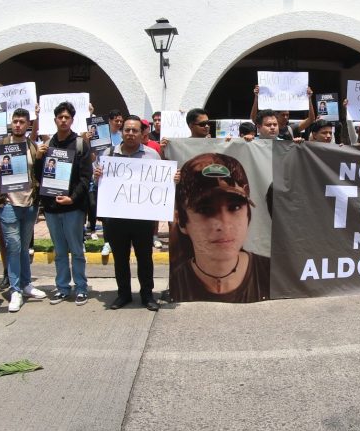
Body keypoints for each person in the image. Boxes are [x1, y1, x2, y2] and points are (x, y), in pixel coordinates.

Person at [170, 153, 270, 302]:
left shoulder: (273, 274)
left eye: (234, 207)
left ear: (248, 215)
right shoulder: (177, 282)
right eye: (205, 210)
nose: (224, 224)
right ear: (182, 222)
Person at [94, 115, 162, 311]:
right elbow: (98, 184)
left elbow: (160, 184)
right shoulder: (109, 155)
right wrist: (97, 176)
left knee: (144, 258)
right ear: (121, 132)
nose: (131, 134)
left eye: (135, 130)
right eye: (127, 130)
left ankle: (147, 295)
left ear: (142, 134)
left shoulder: (151, 155)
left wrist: (171, 179)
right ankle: (123, 294)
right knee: (121, 259)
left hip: (142, 218)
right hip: (116, 218)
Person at [0, 107, 45, 312]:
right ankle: (15, 289)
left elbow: (39, 172)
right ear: (11, 123)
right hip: (8, 203)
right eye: (15, 121)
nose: (18, 124)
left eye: (22, 122)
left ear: (28, 125)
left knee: (24, 249)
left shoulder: (33, 146)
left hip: (29, 204)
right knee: (13, 246)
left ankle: (26, 284)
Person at [35, 101, 93, 305]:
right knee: (59, 251)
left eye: (67, 117)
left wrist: (72, 198)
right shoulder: (47, 145)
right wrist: (39, 158)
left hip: (73, 208)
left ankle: (81, 287)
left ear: (72, 120)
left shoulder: (79, 144)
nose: (63, 120)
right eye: (60, 117)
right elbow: (39, 177)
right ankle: (62, 287)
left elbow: (86, 177)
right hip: (51, 208)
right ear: (55, 120)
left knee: (76, 249)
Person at [250, 85, 316, 139]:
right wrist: (256, 97)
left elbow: (311, 119)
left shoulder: (291, 129)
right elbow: (254, 118)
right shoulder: (269, 127)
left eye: (287, 115)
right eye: (283, 115)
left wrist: (309, 99)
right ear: (276, 115)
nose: (285, 117)